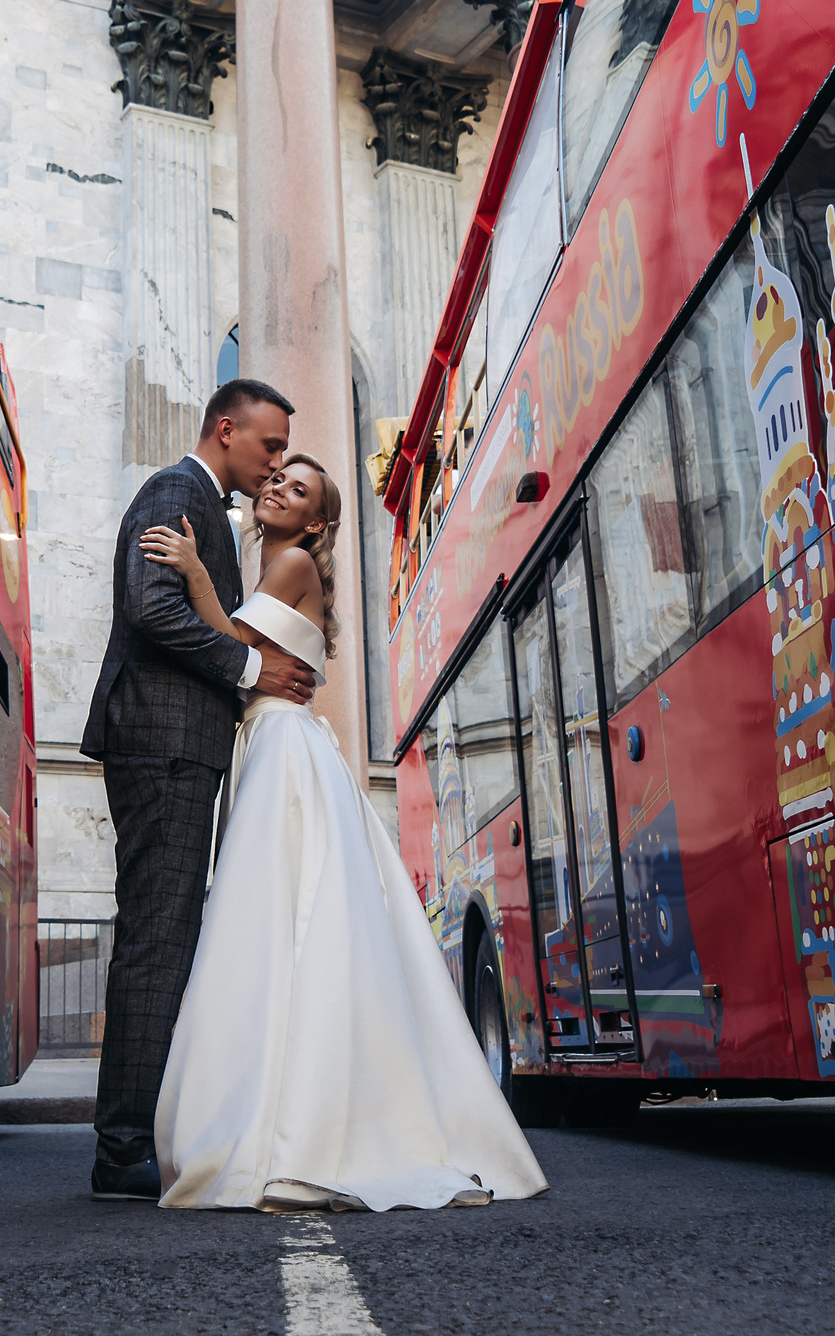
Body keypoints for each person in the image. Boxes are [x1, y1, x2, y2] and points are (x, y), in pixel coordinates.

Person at [137, 455, 547, 1212]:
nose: (275, 487)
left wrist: (192, 569)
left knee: (277, 922)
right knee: (284, 924)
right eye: (275, 479)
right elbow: (248, 659)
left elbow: (230, 645)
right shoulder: (274, 566)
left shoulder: (292, 564)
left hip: (284, 750)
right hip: (274, 742)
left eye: (296, 489)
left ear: (316, 523)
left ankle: (288, 1124)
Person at [79, 380, 318, 1201]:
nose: (277, 462)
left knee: (167, 931)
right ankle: (122, 1149)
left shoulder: (204, 507)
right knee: (158, 935)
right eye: (270, 445)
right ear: (226, 429)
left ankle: (137, 1135)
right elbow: (150, 609)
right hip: (164, 741)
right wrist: (252, 668)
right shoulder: (175, 492)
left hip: (178, 743)